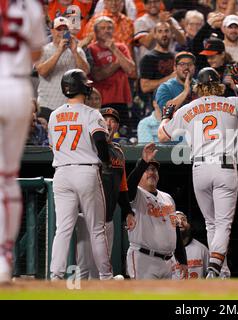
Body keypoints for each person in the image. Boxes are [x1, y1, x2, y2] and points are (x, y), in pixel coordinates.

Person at [157, 65, 238, 278]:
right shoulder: (232, 102)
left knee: (211, 224)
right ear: (219, 85)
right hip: (224, 166)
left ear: (198, 87)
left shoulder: (187, 109)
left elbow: (162, 136)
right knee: (223, 224)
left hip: (199, 168)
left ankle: (222, 272)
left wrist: (166, 116)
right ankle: (215, 268)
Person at [48, 69, 113, 280]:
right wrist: (105, 161)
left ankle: (55, 276)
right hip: (86, 170)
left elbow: (52, 147)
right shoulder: (92, 113)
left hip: (61, 172)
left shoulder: (54, 115)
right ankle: (106, 276)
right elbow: (101, 143)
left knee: (63, 229)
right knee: (96, 229)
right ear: (83, 87)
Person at [0, 0, 47, 283]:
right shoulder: (29, 4)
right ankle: (4, 259)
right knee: (7, 177)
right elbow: (37, 51)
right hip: (17, 86)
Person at [75, 107, 135, 279]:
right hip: (87, 218)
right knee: (84, 266)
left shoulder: (118, 151)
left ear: (116, 127)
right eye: (106, 119)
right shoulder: (88, 147)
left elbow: (122, 187)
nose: (109, 123)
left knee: (102, 267)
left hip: (108, 220)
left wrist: (128, 211)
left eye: (114, 120)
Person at [126, 143, 188, 279]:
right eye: (147, 169)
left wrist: (182, 259)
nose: (151, 172)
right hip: (143, 258)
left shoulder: (168, 198)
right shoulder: (136, 194)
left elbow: (175, 229)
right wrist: (143, 162)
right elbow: (129, 185)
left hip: (168, 261)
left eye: (154, 169)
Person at [36, 16, 90, 121]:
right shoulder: (43, 50)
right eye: (58, 29)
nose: (62, 32)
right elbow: (42, 71)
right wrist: (59, 51)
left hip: (71, 106)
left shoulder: (77, 51)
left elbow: (85, 72)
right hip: (47, 105)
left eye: (65, 30)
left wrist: (74, 51)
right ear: (52, 31)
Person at [88, 16, 136, 129]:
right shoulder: (91, 49)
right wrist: (118, 63)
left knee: (124, 135)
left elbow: (130, 70)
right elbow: (97, 76)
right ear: (96, 31)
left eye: (109, 28)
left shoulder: (121, 47)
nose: (106, 30)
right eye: (102, 28)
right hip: (100, 101)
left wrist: (114, 49)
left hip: (121, 99)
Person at [170, 211, 210, 279]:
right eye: (176, 220)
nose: (180, 222)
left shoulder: (202, 249)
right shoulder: (165, 250)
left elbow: (209, 275)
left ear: (189, 225)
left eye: (183, 219)